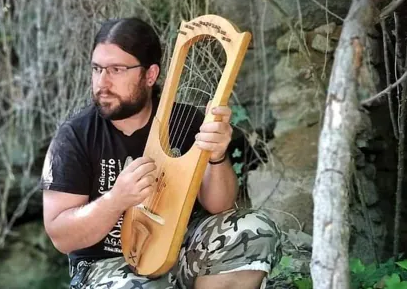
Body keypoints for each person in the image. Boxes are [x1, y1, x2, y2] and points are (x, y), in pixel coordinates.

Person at [41, 17, 281, 289]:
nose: (102, 82)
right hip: (105, 265)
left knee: (252, 228)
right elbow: (61, 236)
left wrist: (217, 156)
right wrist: (116, 199)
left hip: (180, 249)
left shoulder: (186, 120)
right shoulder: (73, 137)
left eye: (116, 69)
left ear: (150, 75)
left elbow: (220, 206)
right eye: (97, 69)